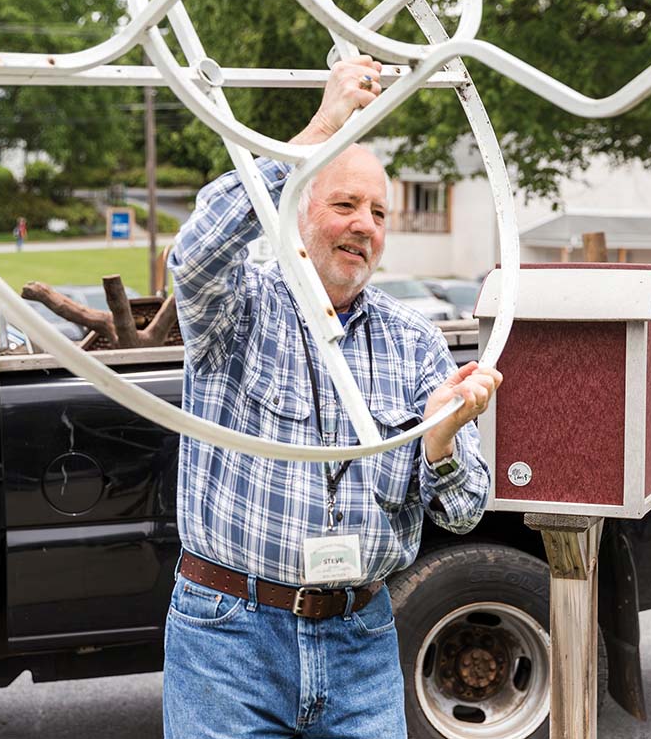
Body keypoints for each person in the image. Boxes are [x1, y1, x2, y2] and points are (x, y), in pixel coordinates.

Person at [163, 55, 502, 739]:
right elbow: (194, 257)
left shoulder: (415, 342)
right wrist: (319, 130)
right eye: (344, 204)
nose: (365, 225)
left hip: (361, 634)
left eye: (379, 212)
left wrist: (439, 443)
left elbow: (466, 511)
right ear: (296, 212)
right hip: (230, 635)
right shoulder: (241, 308)